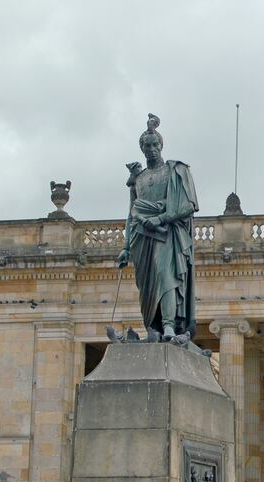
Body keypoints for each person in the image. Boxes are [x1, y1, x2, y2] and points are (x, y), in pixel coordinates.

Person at [117, 113, 199, 340]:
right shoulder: (139, 178)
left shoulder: (175, 170)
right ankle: (153, 328)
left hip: (167, 234)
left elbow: (188, 205)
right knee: (147, 288)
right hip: (142, 238)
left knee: (166, 277)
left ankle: (169, 325)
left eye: (155, 144)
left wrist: (160, 219)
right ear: (142, 149)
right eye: (147, 146)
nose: (151, 149)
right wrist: (125, 246)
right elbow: (132, 213)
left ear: (161, 145)